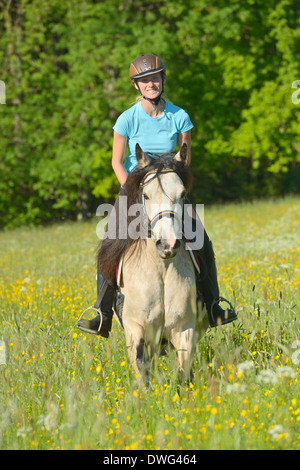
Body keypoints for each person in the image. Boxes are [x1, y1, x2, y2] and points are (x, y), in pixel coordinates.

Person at [77, 54, 237, 337]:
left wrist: (175, 190)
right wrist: (132, 191)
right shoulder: (126, 119)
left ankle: (214, 305)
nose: (150, 84)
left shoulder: (180, 116)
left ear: (163, 80)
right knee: (109, 245)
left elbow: (184, 160)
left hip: (170, 193)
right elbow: (116, 161)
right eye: (144, 81)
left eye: (154, 79)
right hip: (133, 190)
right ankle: (101, 313)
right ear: (136, 86)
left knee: (202, 241)